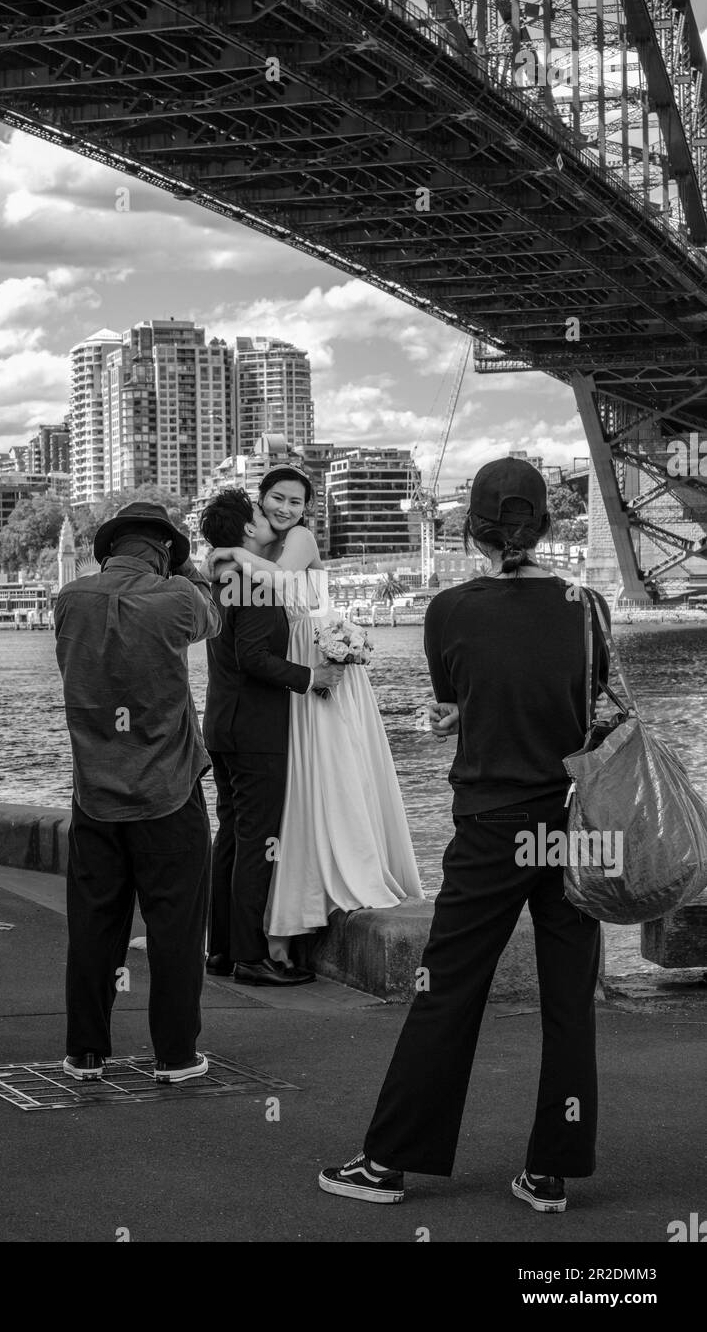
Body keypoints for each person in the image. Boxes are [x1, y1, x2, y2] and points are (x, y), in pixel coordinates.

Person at [319, 457, 610, 1211]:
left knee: (447, 991)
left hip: (490, 824)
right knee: (569, 999)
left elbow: (456, 702)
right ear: (546, 524)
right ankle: (551, 1172)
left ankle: (389, 1163)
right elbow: (589, 702)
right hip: (572, 822)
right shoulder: (590, 605)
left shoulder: (449, 610)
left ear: (473, 529)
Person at [204, 464, 423, 964]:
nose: (285, 509)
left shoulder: (287, 545)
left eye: (296, 502)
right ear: (257, 506)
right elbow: (251, 639)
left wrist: (231, 551)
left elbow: (281, 581)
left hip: (311, 670)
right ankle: (245, 947)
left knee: (321, 782)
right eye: (275, 500)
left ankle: (238, 942)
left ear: (307, 510)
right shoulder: (248, 564)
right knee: (281, 807)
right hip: (293, 678)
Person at [54, 502, 220, 1085]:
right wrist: (188, 569)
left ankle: (85, 1053)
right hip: (167, 790)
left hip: (95, 789)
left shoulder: (69, 600)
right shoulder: (177, 598)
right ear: (164, 553)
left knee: (94, 927)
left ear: (109, 548)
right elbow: (213, 617)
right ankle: (175, 1057)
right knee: (176, 928)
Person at [200, 488, 344, 986]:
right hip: (254, 731)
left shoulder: (222, 578)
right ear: (246, 529)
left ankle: (220, 949)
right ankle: (250, 957)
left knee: (231, 841)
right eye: (262, 514)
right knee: (258, 842)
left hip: (222, 725)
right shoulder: (252, 584)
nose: (272, 521)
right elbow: (253, 659)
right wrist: (311, 679)